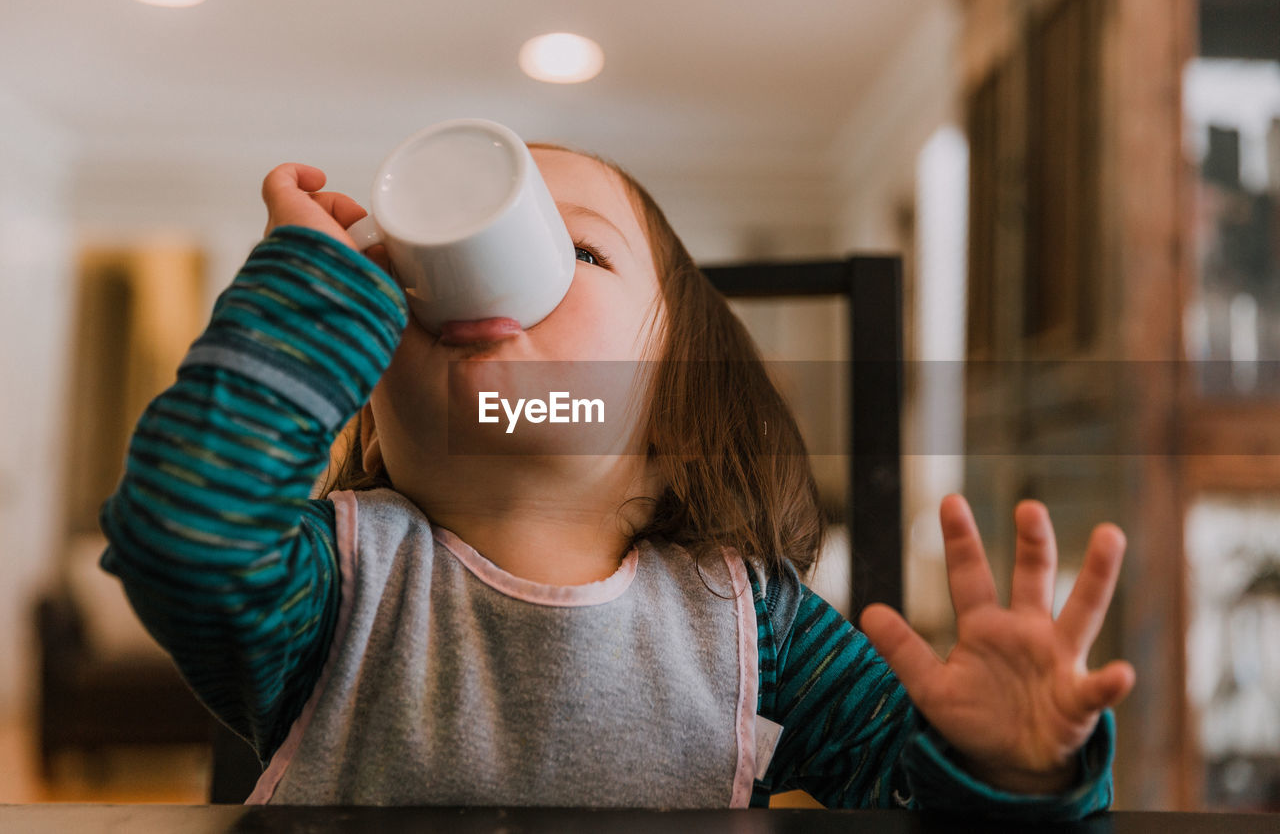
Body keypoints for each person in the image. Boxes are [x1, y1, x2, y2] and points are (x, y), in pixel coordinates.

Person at [99, 144, 1134, 815]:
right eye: (412, 284)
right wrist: (317, 289)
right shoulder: (331, 585)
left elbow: (910, 803)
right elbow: (184, 530)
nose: (488, 273)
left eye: (579, 254)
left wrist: (1009, 772)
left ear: (682, 392)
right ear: (369, 404)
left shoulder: (757, 627)